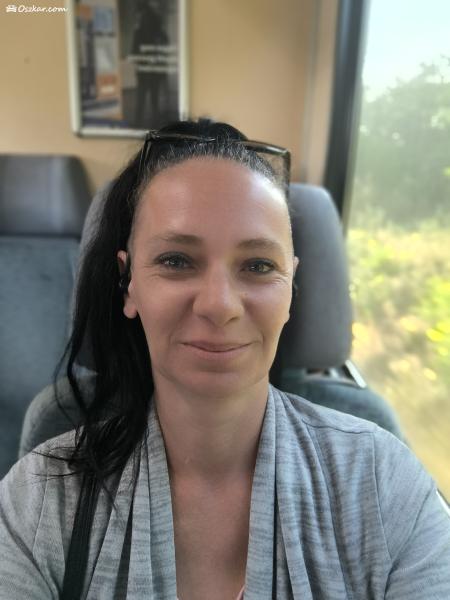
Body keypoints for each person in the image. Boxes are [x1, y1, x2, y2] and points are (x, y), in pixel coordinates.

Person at [0, 118, 449, 600]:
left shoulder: (383, 484)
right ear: (128, 284)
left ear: (291, 286)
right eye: (176, 260)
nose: (219, 304)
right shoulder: (42, 497)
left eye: (258, 265)